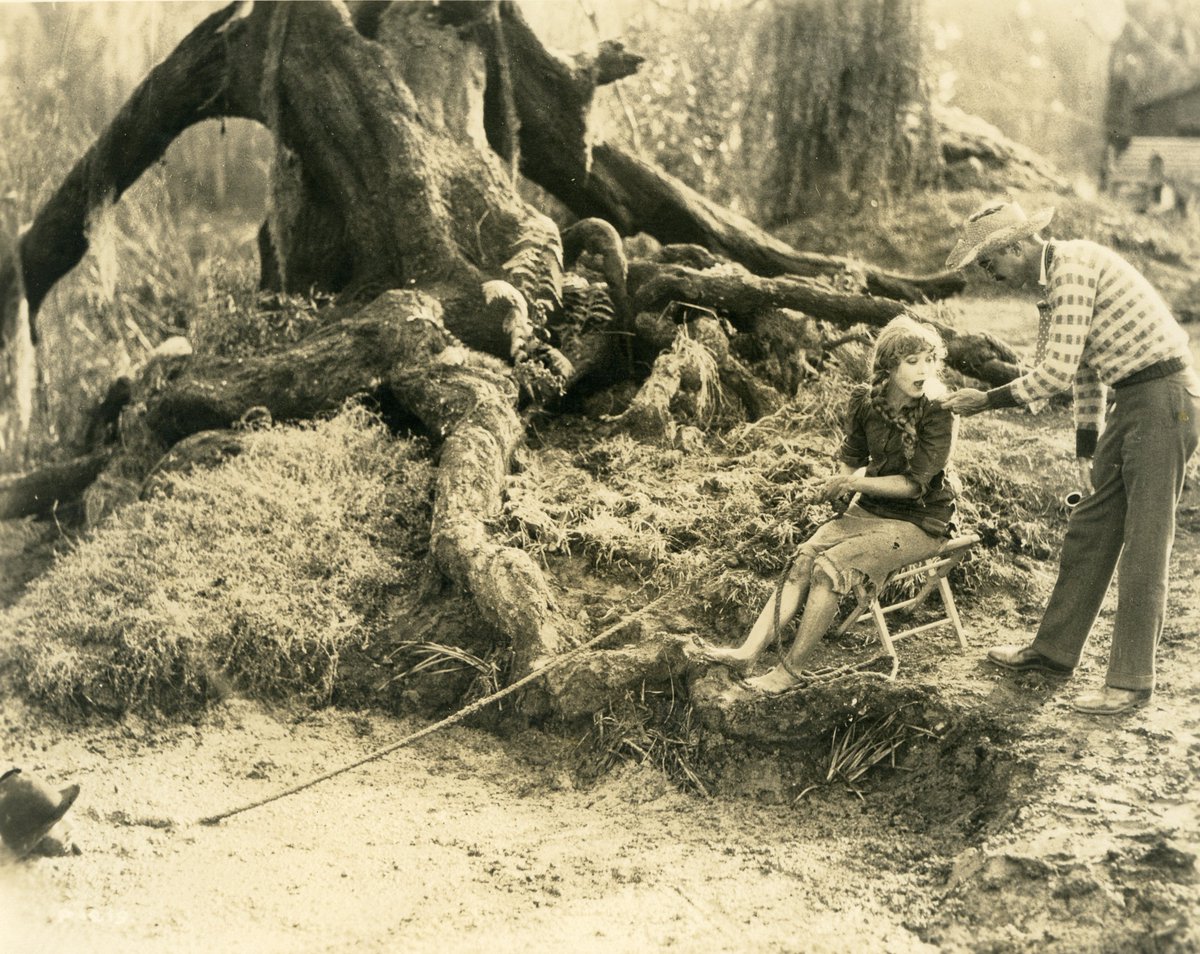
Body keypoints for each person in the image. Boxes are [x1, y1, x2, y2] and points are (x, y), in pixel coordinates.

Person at [940, 200, 1200, 715]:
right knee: (1091, 528)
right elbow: (1083, 373)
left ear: (1015, 246)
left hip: (1165, 398)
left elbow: (1054, 372)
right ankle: (1054, 651)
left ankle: (1131, 682)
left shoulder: (1073, 266)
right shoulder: (1054, 283)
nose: (989, 277)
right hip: (1132, 400)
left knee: (1145, 543)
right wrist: (1088, 445)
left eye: (989, 265)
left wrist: (986, 400)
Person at [697, 315, 960, 693]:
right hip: (870, 509)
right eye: (913, 361)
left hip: (922, 522)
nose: (925, 370)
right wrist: (842, 485)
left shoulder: (939, 410)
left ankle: (790, 672)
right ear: (888, 367)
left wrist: (853, 483)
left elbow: (913, 486)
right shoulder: (865, 401)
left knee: (830, 569)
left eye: (930, 359)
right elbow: (853, 453)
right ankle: (748, 653)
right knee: (802, 560)